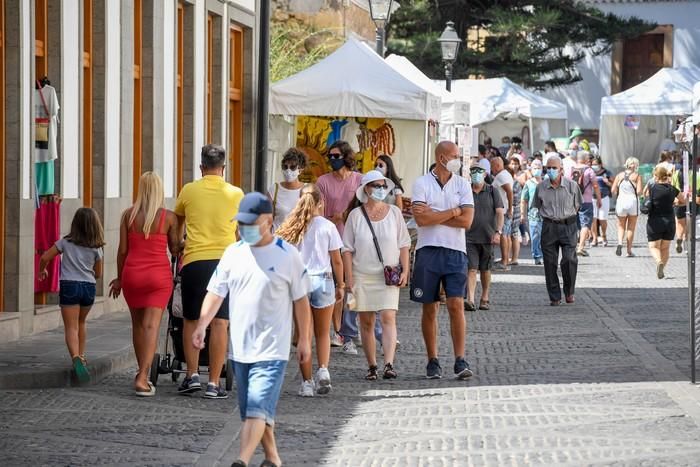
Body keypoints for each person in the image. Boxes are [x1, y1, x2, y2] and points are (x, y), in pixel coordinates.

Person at [193, 192, 311, 467]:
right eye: (240, 223)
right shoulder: (233, 253)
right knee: (253, 413)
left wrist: (304, 338)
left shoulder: (287, 254)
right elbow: (215, 293)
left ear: (268, 220)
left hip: (272, 350)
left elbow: (301, 301)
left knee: (257, 408)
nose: (242, 228)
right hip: (240, 350)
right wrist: (202, 324)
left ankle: (241, 460)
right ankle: (273, 458)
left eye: (249, 222)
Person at [174, 144, 244, 399]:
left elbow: (176, 221)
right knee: (220, 323)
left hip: (194, 261)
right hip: (225, 264)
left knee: (191, 319)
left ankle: (192, 375)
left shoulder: (188, 190)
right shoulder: (236, 193)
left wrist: (177, 243)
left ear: (201, 167)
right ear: (223, 168)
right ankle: (214, 383)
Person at [109, 172, 181, 396]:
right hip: (158, 277)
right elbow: (175, 249)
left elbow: (122, 252)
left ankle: (143, 372)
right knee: (151, 326)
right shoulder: (168, 217)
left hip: (133, 274)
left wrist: (120, 278)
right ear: (160, 190)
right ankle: (142, 376)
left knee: (138, 326)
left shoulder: (127, 216)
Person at [410, 141, 475, 380]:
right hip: (428, 250)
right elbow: (421, 219)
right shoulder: (422, 183)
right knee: (430, 307)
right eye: (454, 155)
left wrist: (435, 214)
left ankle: (460, 359)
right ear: (441, 157)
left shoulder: (463, 185)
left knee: (456, 305)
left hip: (455, 251)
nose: (458, 159)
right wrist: (453, 212)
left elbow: (467, 221)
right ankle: (432, 360)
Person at [276, 184, 344, 397]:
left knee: (304, 335)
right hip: (323, 280)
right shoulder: (327, 226)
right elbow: (337, 260)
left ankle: (306, 383)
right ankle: (323, 369)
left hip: (300, 282)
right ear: (320, 203)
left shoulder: (292, 226)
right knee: (323, 333)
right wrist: (341, 284)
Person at [343, 170, 410, 380]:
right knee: (366, 322)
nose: (381, 189)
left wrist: (405, 269)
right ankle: (372, 365)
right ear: (366, 189)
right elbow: (346, 249)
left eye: (383, 186)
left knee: (389, 316)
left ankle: (389, 364)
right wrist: (349, 279)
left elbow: (404, 244)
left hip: (388, 274)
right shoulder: (355, 216)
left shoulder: (395, 213)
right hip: (361, 274)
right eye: (376, 186)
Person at [39, 208, 104, 383]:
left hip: (69, 285)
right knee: (81, 322)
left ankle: (75, 356)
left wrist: (42, 270)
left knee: (71, 327)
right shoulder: (97, 248)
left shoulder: (65, 242)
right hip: (88, 287)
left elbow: (45, 256)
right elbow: (98, 274)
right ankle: (81, 356)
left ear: (75, 224)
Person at [316, 140, 363, 355]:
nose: (332, 160)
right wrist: (334, 218)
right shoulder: (323, 181)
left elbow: (364, 207)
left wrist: (344, 215)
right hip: (332, 240)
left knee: (352, 289)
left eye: (336, 156)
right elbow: (319, 211)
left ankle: (350, 329)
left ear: (346, 156)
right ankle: (337, 330)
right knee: (338, 288)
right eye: (330, 156)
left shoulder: (359, 179)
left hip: (355, 240)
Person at [533, 156, 582, 306]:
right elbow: (537, 205)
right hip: (549, 227)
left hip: (568, 226)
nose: (551, 170)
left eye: (554, 168)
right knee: (549, 263)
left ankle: (569, 291)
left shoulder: (572, 186)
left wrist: (568, 218)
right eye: (549, 168)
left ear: (561, 169)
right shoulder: (540, 187)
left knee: (569, 259)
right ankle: (554, 296)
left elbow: (578, 205)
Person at [464, 165, 504, 311]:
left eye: (479, 172)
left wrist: (498, 232)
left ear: (485, 174)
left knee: (486, 270)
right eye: (473, 172)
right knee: (471, 269)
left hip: (488, 237)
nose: (476, 174)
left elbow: (499, 212)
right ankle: (471, 299)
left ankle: (485, 297)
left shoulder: (493, 191)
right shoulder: (466, 190)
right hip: (469, 237)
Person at [646, 165, 686, 279]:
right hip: (669, 221)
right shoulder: (672, 188)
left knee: (654, 246)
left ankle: (659, 262)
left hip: (655, 221)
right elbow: (683, 201)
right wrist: (674, 203)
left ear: (656, 176)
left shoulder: (652, 188)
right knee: (665, 248)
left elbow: (647, 200)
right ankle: (662, 269)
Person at [267, 147, 307, 230]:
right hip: (278, 239)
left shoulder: (308, 190)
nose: (288, 171)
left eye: (293, 167)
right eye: (285, 167)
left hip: (298, 240)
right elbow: (267, 220)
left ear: (300, 170)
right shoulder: (274, 190)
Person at [571, 151, 601, 256]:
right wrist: (599, 199)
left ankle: (572, 246)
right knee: (585, 224)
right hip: (586, 201)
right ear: (585, 159)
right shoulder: (589, 170)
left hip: (573, 201)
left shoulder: (571, 169)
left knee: (573, 224)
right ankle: (581, 247)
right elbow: (596, 186)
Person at [611, 157, 643, 257]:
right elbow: (638, 192)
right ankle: (629, 251)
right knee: (631, 228)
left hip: (621, 201)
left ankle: (620, 243)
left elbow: (613, 190)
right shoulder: (637, 176)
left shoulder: (619, 175)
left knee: (620, 226)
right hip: (632, 201)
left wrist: (620, 192)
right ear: (636, 165)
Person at [490, 156, 514, 271]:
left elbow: (509, 192)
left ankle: (504, 261)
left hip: (503, 211)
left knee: (503, 235)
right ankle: (505, 259)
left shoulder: (501, 176)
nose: (491, 169)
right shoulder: (506, 174)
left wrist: (509, 209)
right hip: (505, 210)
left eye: (492, 166)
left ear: (497, 166)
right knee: (506, 235)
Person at [521, 159, 544, 265]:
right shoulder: (528, 183)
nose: (537, 170)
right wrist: (522, 214)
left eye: (539, 167)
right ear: (531, 169)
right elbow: (524, 200)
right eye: (535, 167)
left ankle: (544, 255)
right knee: (535, 236)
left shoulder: (546, 182)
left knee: (545, 237)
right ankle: (537, 255)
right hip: (533, 215)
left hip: (546, 215)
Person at [591, 157, 613, 247]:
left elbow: (613, 184)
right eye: (593, 164)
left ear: (600, 164)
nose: (594, 166)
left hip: (604, 197)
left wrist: (607, 182)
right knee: (593, 219)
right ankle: (595, 238)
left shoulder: (607, 172)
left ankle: (604, 236)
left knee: (602, 218)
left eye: (596, 164)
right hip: (592, 198)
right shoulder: (590, 172)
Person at [507, 157, 523, 265]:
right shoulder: (516, 183)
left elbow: (515, 198)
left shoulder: (513, 183)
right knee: (513, 234)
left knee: (510, 234)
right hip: (515, 209)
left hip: (512, 210)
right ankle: (512, 258)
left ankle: (512, 258)